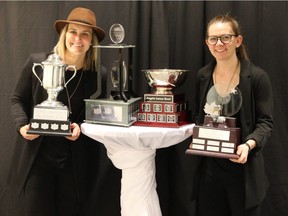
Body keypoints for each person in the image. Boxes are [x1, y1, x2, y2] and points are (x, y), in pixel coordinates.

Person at [9, 7, 108, 216]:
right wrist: (22, 126)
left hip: (75, 163)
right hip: (38, 160)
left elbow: (97, 115)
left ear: (92, 41)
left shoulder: (99, 75)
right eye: (73, 32)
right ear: (65, 34)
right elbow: (18, 99)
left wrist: (81, 127)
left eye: (85, 34)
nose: (78, 39)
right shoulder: (37, 63)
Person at [191, 14, 273, 216]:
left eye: (225, 37)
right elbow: (197, 117)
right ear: (207, 43)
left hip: (243, 171)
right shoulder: (202, 76)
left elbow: (265, 123)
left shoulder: (257, 77)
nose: (219, 43)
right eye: (213, 39)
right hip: (210, 172)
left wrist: (248, 144)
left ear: (238, 40)